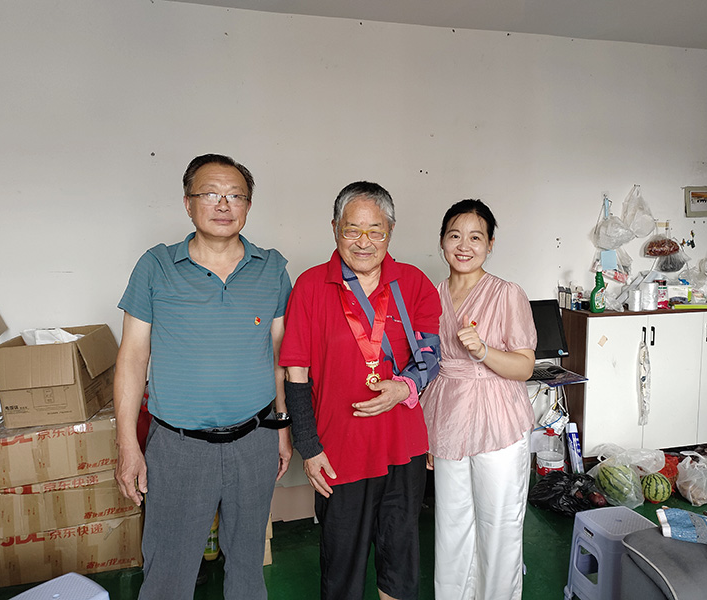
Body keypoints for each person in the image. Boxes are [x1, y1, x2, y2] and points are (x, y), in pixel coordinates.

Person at [113, 154, 293, 600]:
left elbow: (280, 357)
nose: (223, 204)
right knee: (168, 574)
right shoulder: (156, 266)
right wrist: (127, 445)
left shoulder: (271, 268)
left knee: (248, 567)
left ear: (248, 206)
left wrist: (282, 429)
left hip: (254, 441)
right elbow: (133, 357)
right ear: (187, 203)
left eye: (236, 196)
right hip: (179, 449)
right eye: (210, 194)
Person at [280, 181, 442, 600]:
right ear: (335, 228)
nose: (364, 242)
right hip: (339, 453)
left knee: (400, 560)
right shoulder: (311, 286)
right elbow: (296, 373)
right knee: (341, 568)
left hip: (402, 448)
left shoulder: (414, 283)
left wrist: (404, 388)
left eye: (375, 230)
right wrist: (308, 447)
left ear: (391, 230)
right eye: (352, 230)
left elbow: (431, 355)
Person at [421, 199, 537, 600]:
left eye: (475, 237)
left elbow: (525, 366)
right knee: (451, 523)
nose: (464, 246)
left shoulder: (507, 294)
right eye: (455, 236)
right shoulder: (431, 295)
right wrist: (428, 432)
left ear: (490, 244)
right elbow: (429, 368)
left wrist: (485, 351)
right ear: (442, 241)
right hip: (448, 418)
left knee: (498, 524)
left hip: (498, 418)